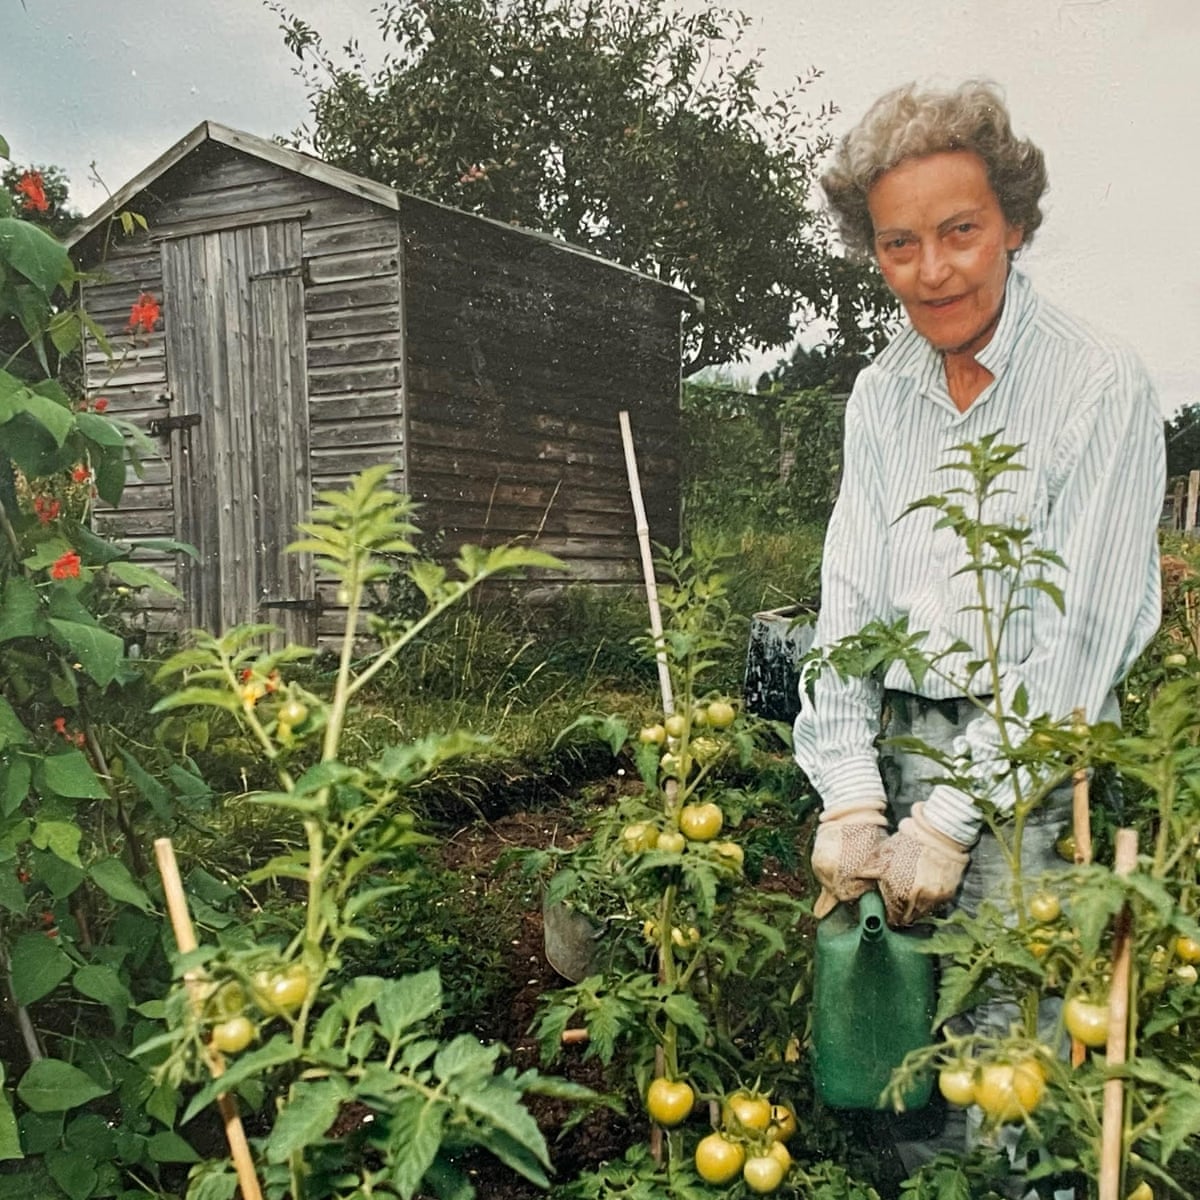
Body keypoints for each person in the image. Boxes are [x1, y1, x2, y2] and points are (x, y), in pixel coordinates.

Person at [791, 80, 1164, 1174]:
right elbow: (849, 603)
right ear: (874, 251)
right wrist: (854, 790)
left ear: (1012, 221)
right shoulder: (880, 395)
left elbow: (1083, 640)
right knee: (888, 1074)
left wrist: (951, 819)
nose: (934, 269)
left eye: (960, 232)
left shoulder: (1097, 384)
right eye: (900, 244)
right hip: (894, 744)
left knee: (1009, 1075)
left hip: (1029, 784)